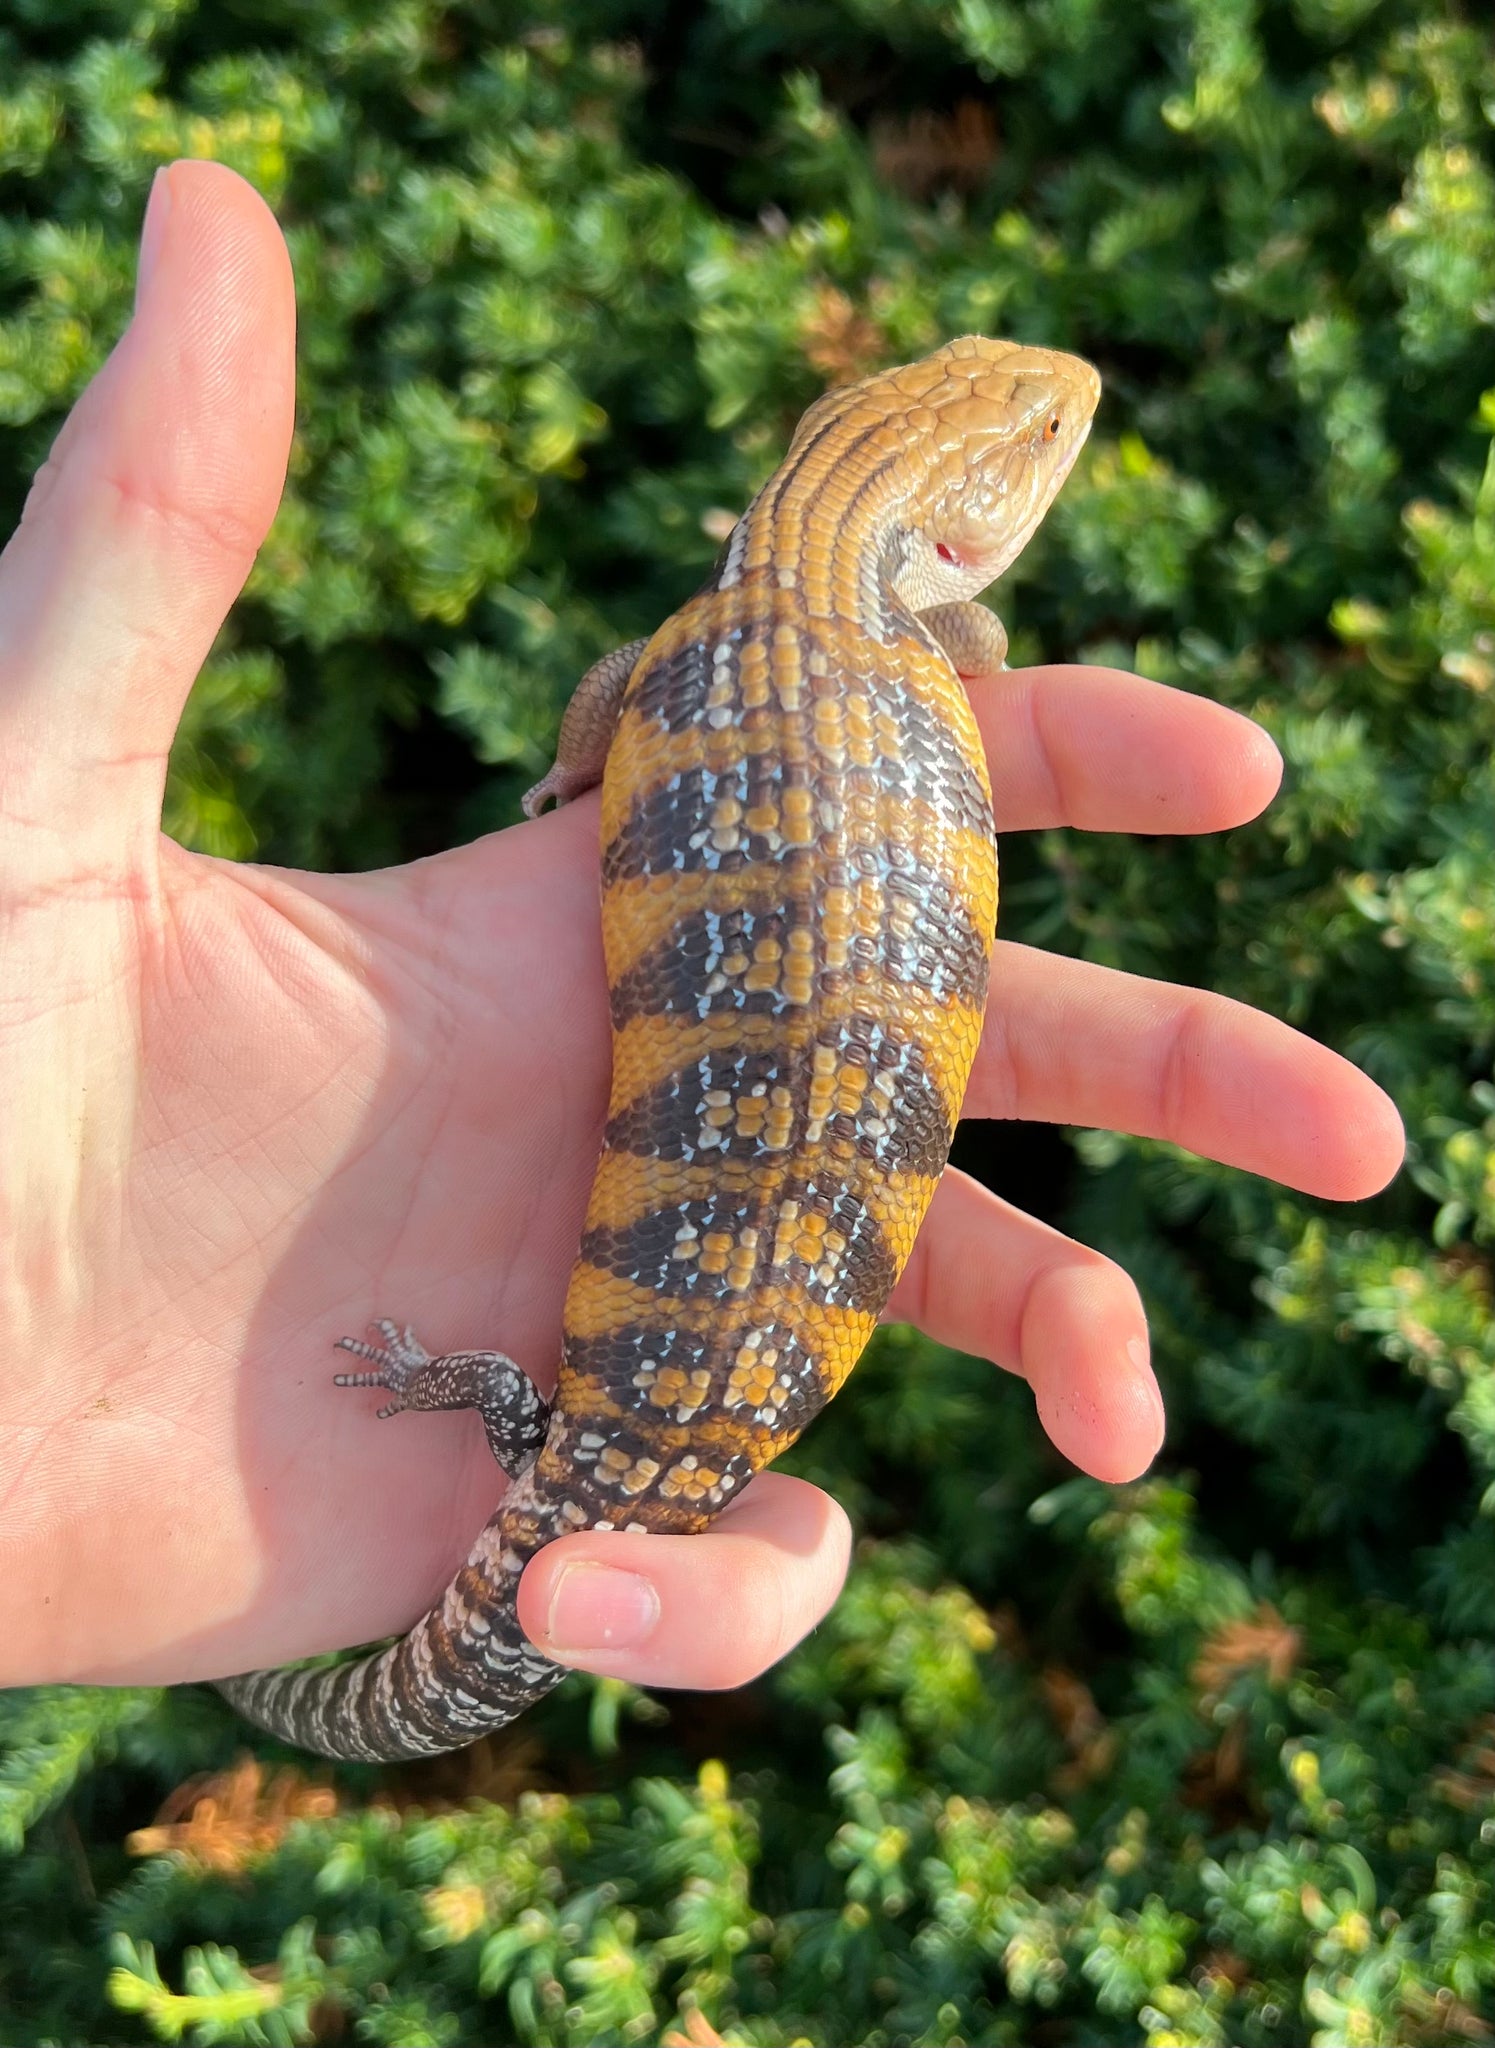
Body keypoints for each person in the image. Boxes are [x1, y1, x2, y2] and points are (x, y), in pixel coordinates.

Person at [0, 163, 1403, 1711]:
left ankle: (325, 1682)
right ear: (937, 549)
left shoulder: (675, 658)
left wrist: (576, 772)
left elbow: (609, 698)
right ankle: (318, 1690)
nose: (1063, 420)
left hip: (679, 1316)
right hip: (698, 1334)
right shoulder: (927, 658)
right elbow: (981, 645)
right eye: (1044, 446)